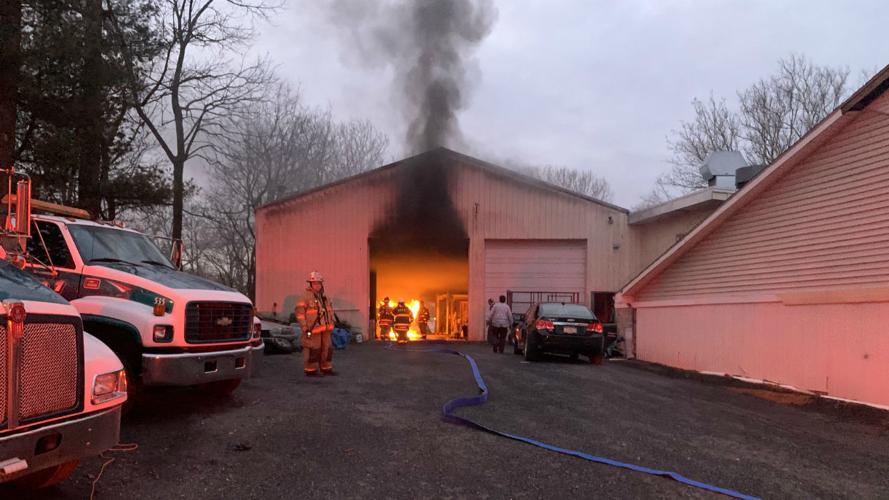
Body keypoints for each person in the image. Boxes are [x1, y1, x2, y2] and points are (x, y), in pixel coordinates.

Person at [295, 271, 337, 376]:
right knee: (314, 349)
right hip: (312, 329)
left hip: (325, 328)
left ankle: (326, 368)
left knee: (327, 348)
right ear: (310, 284)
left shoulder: (324, 297)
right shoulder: (305, 297)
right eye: (315, 283)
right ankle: (311, 370)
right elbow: (300, 313)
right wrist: (304, 327)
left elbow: (330, 311)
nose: (317, 285)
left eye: (319, 283)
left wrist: (332, 323)